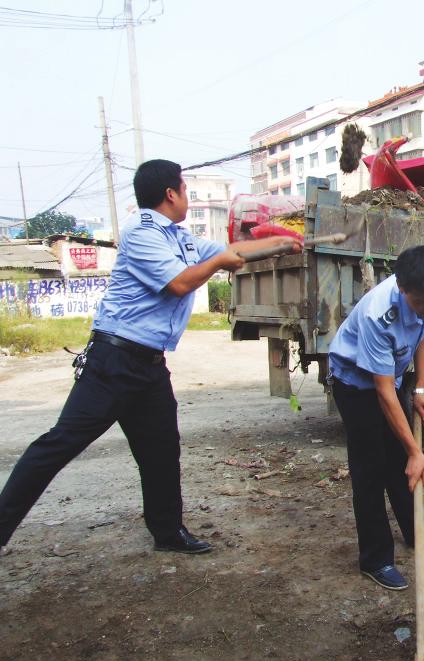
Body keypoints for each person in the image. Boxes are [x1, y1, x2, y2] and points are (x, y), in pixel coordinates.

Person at [0, 159, 301, 557]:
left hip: (149, 365)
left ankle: (167, 531)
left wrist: (287, 243)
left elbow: (235, 250)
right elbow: (178, 283)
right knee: (59, 444)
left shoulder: (179, 237)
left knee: (161, 449)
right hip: (113, 360)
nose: (188, 199)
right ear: (170, 194)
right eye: (186, 190)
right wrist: (216, 264)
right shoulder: (141, 233)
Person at [327, 245, 424, 591]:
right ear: (403, 290)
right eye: (423, 303)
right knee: (371, 468)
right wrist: (418, 452)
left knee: (400, 461)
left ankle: (420, 533)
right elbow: (382, 392)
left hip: (394, 379)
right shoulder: (378, 314)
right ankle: (376, 558)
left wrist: (419, 388)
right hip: (355, 384)